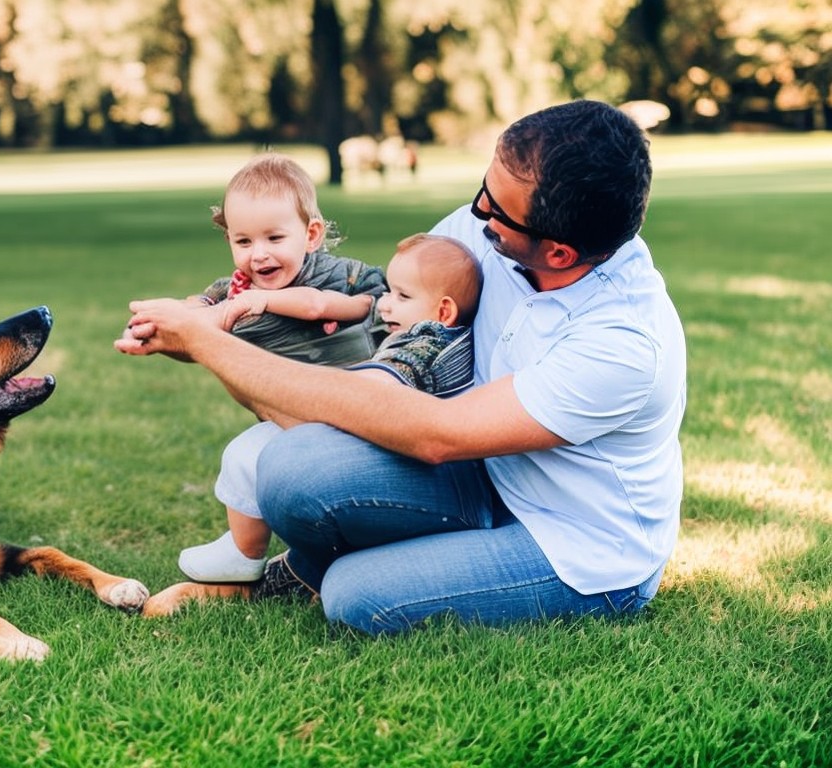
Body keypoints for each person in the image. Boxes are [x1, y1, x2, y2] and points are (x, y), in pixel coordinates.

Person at [116, 99, 687, 635]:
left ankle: (317, 575)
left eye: (495, 208)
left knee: (356, 596)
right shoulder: (483, 233)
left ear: (559, 252)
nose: (476, 212)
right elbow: (382, 341)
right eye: (483, 189)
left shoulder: (622, 341)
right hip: (486, 474)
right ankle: (324, 568)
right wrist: (227, 318)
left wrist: (211, 347)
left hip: (575, 546)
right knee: (290, 465)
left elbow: (431, 434)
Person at [177, 233, 482, 584]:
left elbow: (372, 397)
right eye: (388, 292)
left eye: (401, 296)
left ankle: (246, 552)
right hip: (407, 454)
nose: (384, 305)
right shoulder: (440, 334)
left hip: (411, 462)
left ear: (443, 310)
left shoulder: (424, 345)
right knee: (253, 449)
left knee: (248, 454)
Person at [159, 152, 388, 366]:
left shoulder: (342, 276)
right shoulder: (234, 290)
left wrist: (263, 300)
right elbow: (198, 321)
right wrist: (167, 317)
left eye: (275, 238)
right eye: (244, 242)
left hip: (357, 392)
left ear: (311, 235)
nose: (259, 255)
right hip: (285, 398)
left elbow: (327, 306)